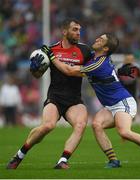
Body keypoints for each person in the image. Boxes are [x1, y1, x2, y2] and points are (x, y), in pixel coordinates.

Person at [51, 33, 140, 168]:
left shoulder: (98, 64)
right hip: (110, 105)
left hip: (123, 102)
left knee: (124, 132)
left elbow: (70, 71)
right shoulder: (93, 59)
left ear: (106, 48)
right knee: (97, 124)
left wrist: (52, 56)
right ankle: (113, 160)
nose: (97, 39)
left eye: (101, 39)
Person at [6, 18, 92, 170]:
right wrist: (35, 69)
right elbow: (37, 75)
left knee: (80, 125)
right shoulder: (50, 50)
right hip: (55, 97)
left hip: (74, 100)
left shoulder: (85, 51)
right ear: (64, 31)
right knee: (48, 126)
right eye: (75, 30)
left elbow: (91, 70)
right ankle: (19, 155)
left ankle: (63, 160)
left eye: (79, 30)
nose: (78, 33)